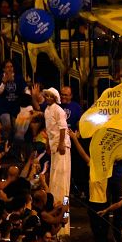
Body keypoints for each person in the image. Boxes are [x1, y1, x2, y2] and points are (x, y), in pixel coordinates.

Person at [42, 88, 71, 228]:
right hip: (54, 147)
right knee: (54, 181)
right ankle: (56, 217)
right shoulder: (47, 111)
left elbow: (62, 129)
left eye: (50, 96)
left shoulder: (58, 110)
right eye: (46, 95)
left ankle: (64, 218)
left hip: (61, 148)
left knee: (62, 183)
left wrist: (60, 144)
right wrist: (48, 144)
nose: (47, 97)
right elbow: (49, 131)